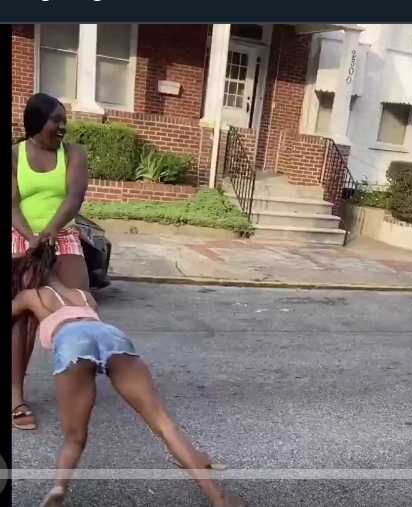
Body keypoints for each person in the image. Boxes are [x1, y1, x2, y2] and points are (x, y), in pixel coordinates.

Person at [12, 243, 246, 507]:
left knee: (75, 437)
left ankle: (58, 488)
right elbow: (89, 329)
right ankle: (218, 498)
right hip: (110, 335)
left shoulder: (30, 296)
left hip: (72, 343)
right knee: (164, 423)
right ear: (55, 267)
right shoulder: (84, 295)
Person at [12, 93, 90, 430]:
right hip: (21, 237)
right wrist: (30, 236)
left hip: (63, 234)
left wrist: (52, 230)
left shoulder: (73, 154)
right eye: (55, 120)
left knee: (80, 310)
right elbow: (11, 204)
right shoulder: (14, 155)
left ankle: (77, 390)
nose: (62, 127)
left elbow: (74, 195)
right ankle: (15, 396)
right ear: (35, 123)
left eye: (64, 120)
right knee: (22, 318)